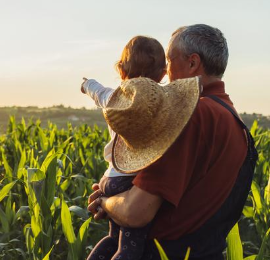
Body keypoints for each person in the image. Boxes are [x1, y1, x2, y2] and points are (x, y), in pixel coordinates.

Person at [87, 24, 258, 259]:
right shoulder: (232, 117)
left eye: (169, 59)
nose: (165, 72)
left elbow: (137, 211)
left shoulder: (191, 117)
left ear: (192, 63)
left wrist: (106, 203)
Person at [82, 35, 200, 260]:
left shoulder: (113, 100)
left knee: (111, 239)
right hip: (130, 182)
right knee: (129, 249)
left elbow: (97, 91)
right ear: (163, 74)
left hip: (110, 179)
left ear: (121, 69)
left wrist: (86, 84)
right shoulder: (161, 107)